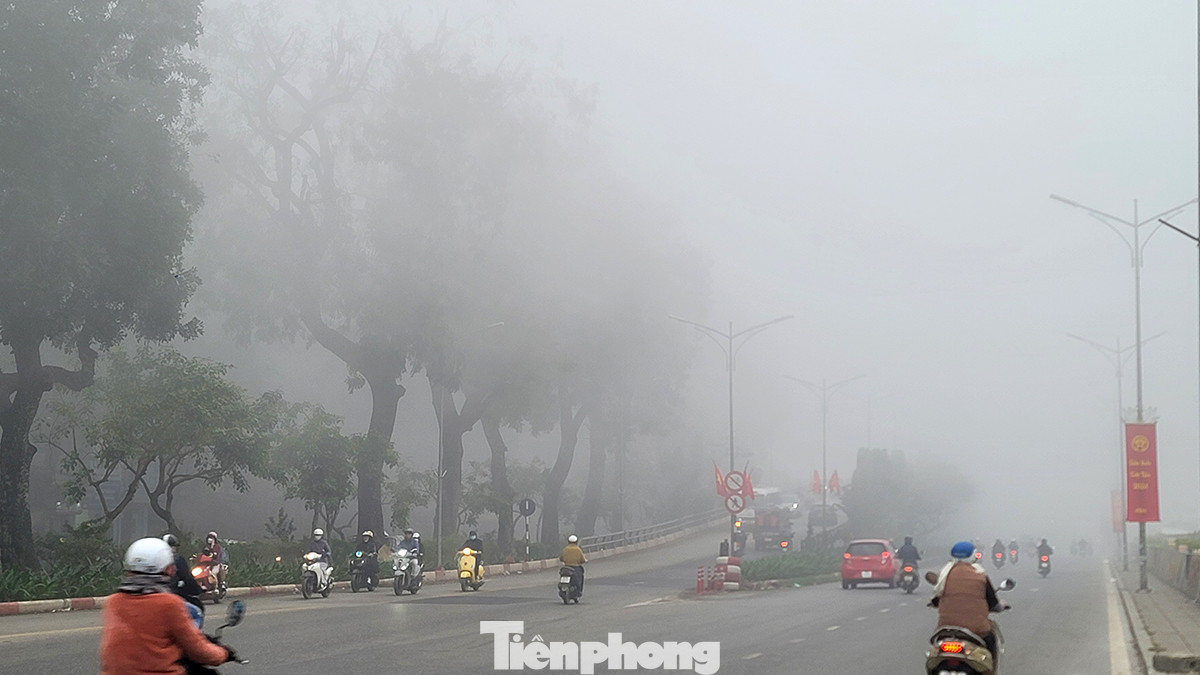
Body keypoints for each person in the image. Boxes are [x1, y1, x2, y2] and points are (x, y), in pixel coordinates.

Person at [99, 537, 235, 674]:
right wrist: (223, 654)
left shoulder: (114, 602)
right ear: (166, 568)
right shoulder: (169, 604)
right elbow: (197, 650)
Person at [930, 541, 1009, 661]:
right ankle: (990, 669)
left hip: (946, 628)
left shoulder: (944, 575)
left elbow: (937, 598)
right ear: (973, 555)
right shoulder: (980, 575)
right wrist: (1001, 605)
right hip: (977, 630)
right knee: (990, 640)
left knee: (935, 647)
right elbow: (993, 604)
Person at [162, 533, 204, 626]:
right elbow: (187, 578)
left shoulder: (155, 560)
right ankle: (191, 634)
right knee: (196, 614)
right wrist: (197, 590)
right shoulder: (177, 559)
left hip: (152, 597)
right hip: (172, 596)